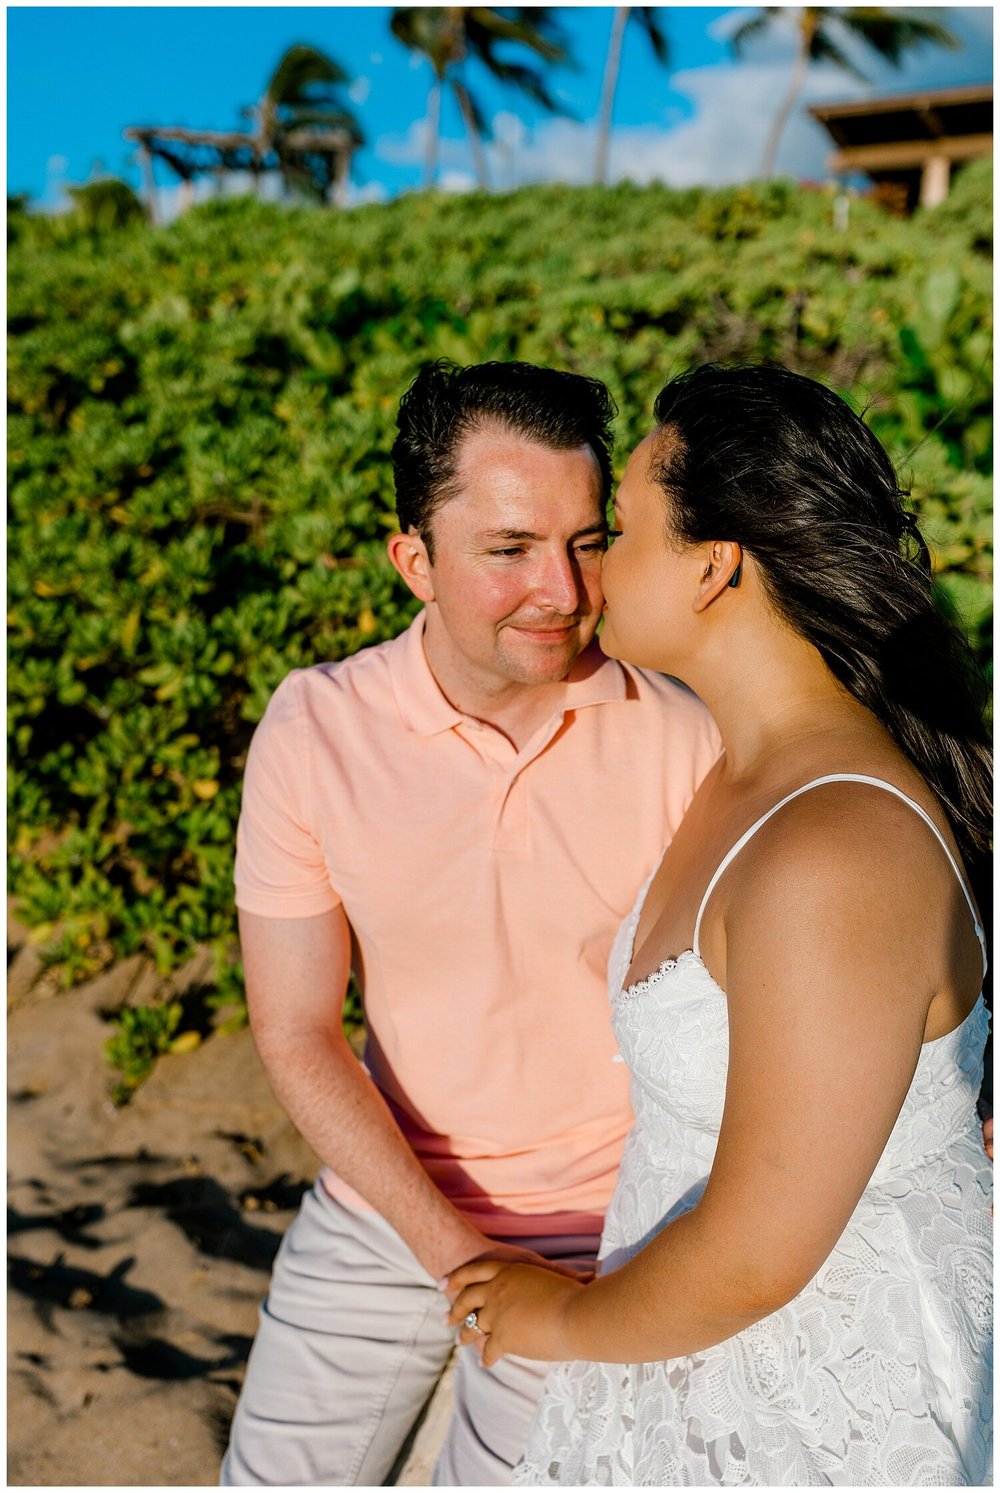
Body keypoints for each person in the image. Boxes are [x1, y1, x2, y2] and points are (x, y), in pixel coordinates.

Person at [447, 364, 993, 1486]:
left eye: (624, 528)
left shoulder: (834, 841)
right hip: (687, 1343)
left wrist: (553, 1318)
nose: (588, 566)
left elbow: (754, 1251)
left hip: (827, 1394)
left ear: (716, 566)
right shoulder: (744, 771)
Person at [220, 361, 722, 1486]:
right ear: (415, 562)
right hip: (382, 1197)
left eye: (587, 541)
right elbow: (295, 1027)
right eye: (508, 549)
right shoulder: (315, 727)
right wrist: (459, 1255)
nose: (559, 587)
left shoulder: (682, 730)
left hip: (614, 1231)